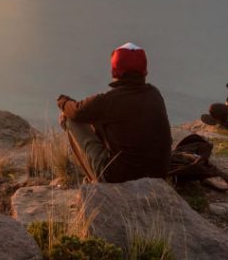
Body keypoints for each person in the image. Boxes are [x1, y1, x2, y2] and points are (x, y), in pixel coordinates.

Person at [57, 43, 172, 182]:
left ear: (114, 71)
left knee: (71, 119)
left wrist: (62, 101)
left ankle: (93, 178)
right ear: (145, 72)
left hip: (118, 178)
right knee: (97, 118)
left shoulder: (110, 101)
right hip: (158, 174)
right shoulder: (155, 94)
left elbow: (76, 111)